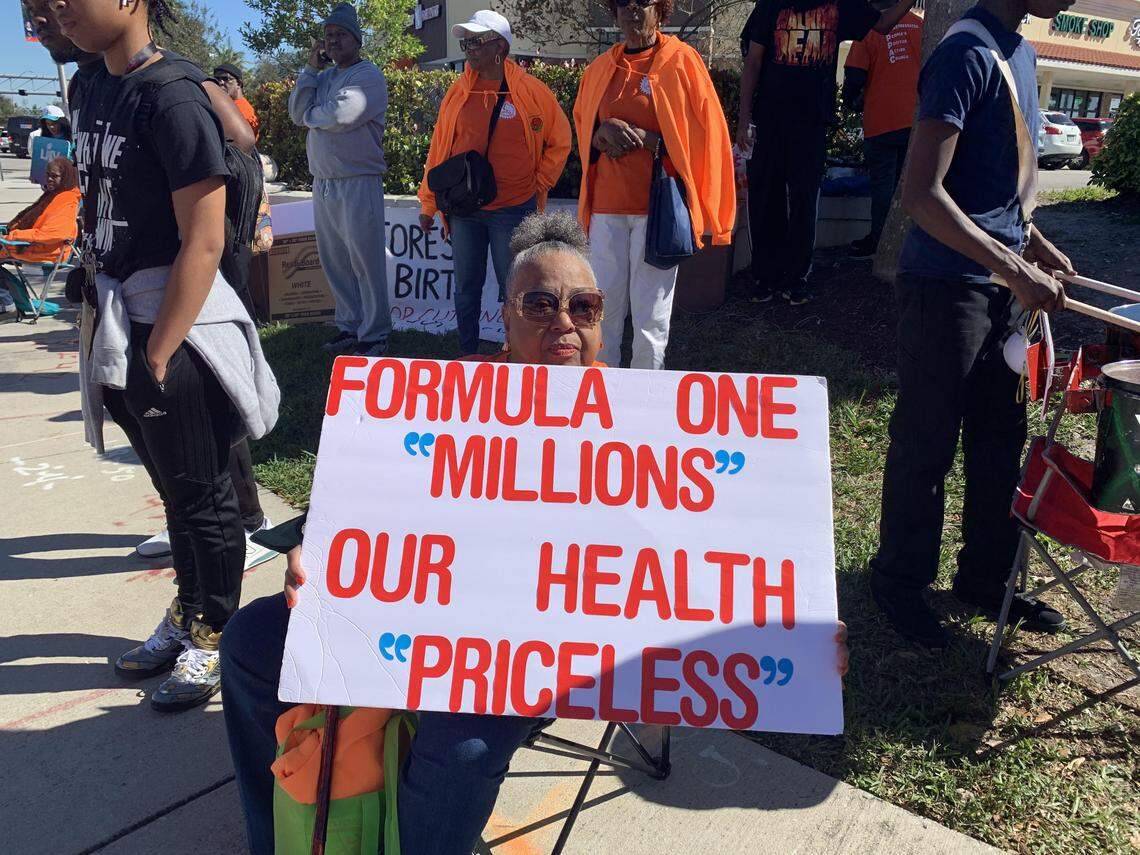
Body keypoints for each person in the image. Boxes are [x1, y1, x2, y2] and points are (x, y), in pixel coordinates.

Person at [221, 210, 853, 854]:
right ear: (505, 314)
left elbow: (710, 561)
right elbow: (371, 509)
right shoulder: (447, 396)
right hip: (415, 618)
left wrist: (794, 636)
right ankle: (274, 839)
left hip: (529, 651)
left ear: (604, 320)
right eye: (541, 303)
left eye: (585, 304)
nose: (565, 323)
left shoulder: (650, 425)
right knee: (249, 640)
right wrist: (318, 552)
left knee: (462, 743)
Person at [59, 0, 280, 710]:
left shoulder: (173, 94)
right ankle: (187, 613)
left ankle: (215, 631)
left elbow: (206, 240)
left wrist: (160, 351)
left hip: (170, 324)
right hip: (118, 317)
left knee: (205, 494)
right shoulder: (92, 85)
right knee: (174, 492)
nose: (55, 6)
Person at [868, 0, 1075, 649]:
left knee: (998, 446)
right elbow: (921, 195)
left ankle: (985, 581)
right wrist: (1013, 265)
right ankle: (899, 581)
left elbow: (987, 184)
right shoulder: (963, 52)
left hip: (998, 288)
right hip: (945, 290)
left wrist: (1029, 238)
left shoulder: (1022, 50)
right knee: (926, 445)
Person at [574, 0, 734, 369]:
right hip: (606, 210)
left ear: (661, 11)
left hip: (657, 212)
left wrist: (649, 139)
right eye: (623, 4)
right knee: (601, 312)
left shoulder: (682, 61)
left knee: (650, 320)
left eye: (642, 3)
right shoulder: (600, 68)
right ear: (613, 14)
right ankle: (601, 396)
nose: (632, 12)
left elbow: (704, 134)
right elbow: (583, 127)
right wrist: (602, 134)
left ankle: (644, 403)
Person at [737, 0, 918, 305]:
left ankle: (797, 279)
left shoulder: (840, 6)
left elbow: (883, 24)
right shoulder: (770, 6)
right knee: (765, 198)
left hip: (811, 124)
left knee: (804, 201)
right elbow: (753, 62)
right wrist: (744, 120)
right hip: (769, 121)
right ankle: (765, 276)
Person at [418, 10, 571, 356]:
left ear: (499, 46)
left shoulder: (532, 92)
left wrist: (541, 182)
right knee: (466, 288)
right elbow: (439, 149)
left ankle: (514, 352)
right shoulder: (458, 93)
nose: (468, 48)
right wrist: (429, 204)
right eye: (465, 42)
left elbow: (561, 139)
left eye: (476, 40)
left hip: (514, 211)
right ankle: (467, 354)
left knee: (514, 288)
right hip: (465, 212)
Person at [288, 3, 391, 358]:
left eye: (340, 34)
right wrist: (309, 71)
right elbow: (296, 111)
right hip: (325, 182)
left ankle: (375, 333)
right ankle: (349, 326)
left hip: (358, 180)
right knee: (335, 262)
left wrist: (312, 115)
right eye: (328, 35)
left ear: (356, 40)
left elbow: (343, 114)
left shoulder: (368, 75)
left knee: (365, 261)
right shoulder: (325, 76)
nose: (332, 41)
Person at [842, 8, 923, 260]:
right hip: (915, 123)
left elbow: (855, 75)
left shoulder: (870, 26)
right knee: (909, 188)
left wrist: (850, 102)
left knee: (882, 188)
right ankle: (906, 245)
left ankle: (879, 242)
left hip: (882, 122)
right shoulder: (921, 27)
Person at [1, 156, 81, 264]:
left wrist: (13, 236)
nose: (49, 179)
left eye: (54, 176)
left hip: (45, 252)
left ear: (66, 177)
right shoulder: (53, 194)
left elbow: (55, 233)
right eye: (47, 174)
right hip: (28, 246)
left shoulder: (68, 200)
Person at [213, 62, 259, 139]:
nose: (220, 82)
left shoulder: (244, 111)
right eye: (217, 79)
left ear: (239, 84)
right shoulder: (226, 105)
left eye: (225, 79)